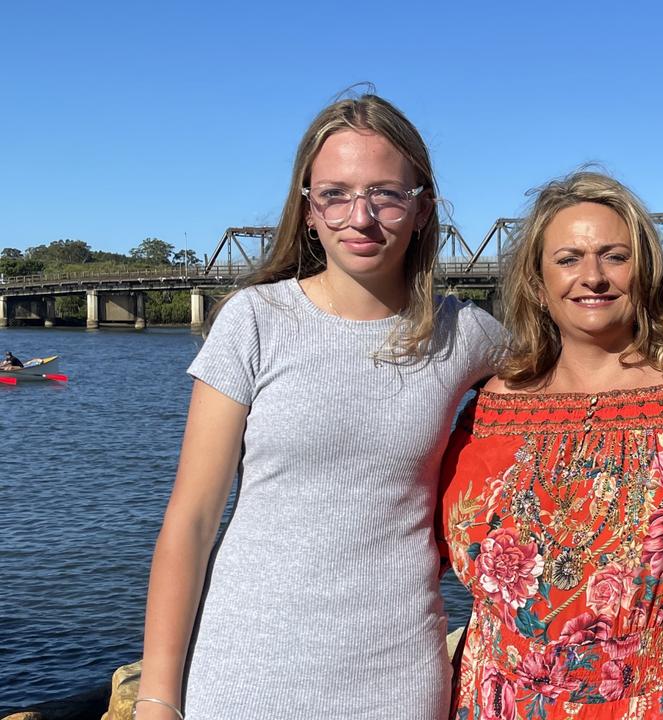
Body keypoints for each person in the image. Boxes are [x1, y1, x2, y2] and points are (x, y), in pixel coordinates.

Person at [134, 94, 504, 720]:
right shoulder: (255, 322)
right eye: (335, 193)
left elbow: (577, 382)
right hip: (244, 672)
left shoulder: (468, 336)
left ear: (423, 211)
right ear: (308, 210)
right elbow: (191, 520)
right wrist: (156, 697)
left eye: (386, 194)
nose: (360, 217)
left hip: (397, 678)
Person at [438, 171, 663, 719]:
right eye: (568, 259)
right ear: (538, 286)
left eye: (614, 256)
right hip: (499, 700)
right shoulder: (486, 410)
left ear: (646, 274)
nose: (592, 277)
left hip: (661, 702)